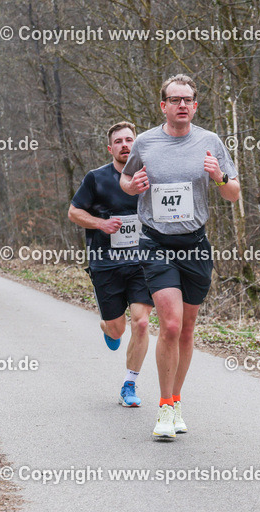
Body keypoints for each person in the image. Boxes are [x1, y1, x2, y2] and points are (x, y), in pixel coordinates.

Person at [120, 74, 240, 439]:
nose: (182, 105)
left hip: (195, 244)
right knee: (169, 325)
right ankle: (164, 409)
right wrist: (133, 186)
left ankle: (176, 398)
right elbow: (125, 180)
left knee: (187, 330)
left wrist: (219, 176)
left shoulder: (210, 141)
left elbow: (233, 193)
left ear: (195, 105)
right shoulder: (145, 142)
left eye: (188, 100)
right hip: (156, 242)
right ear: (163, 106)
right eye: (175, 100)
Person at [68, 121, 154, 408]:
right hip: (105, 264)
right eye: (118, 141)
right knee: (118, 330)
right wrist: (101, 223)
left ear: (136, 144)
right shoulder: (96, 178)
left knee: (141, 322)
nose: (125, 145)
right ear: (110, 148)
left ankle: (129, 383)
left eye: (129, 139)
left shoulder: (148, 176)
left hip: (142, 262)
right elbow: (73, 212)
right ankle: (108, 327)